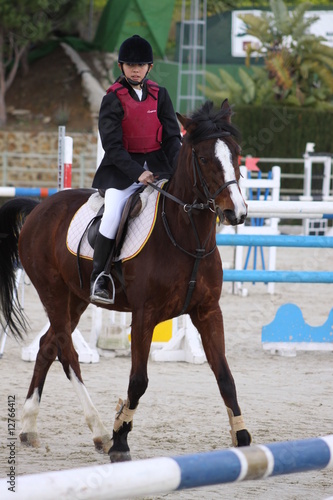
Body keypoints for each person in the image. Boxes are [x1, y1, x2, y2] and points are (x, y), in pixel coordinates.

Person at [90, 34, 182, 304]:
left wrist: (178, 169)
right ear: (121, 66)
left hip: (159, 169)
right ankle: (101, 277)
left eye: (140, 64)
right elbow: (112, 146)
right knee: (113, 213)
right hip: (122, 174)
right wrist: (137, 173)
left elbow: (172, 138)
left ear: (149, 67)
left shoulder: (160, 95)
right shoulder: (112, 99)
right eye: (130, 64)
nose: (135, 68)